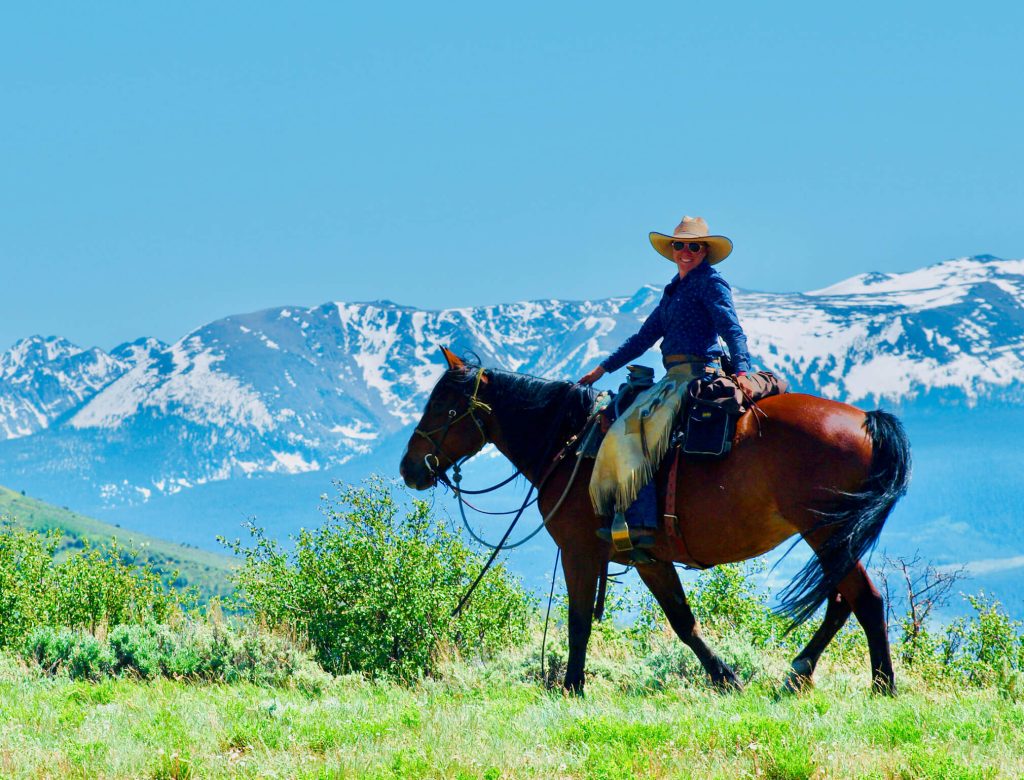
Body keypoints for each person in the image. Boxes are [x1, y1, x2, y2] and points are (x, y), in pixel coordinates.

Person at [578, 215, 754, 552]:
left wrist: (742, 369)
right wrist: (603, 368)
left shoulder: (710, 283)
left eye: (693, 246)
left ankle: (642, 524)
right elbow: (644, 337)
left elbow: (732, 329)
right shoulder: (673, 290)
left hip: (699, 375)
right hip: (672, 379)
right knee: (622, 423)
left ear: (704, 251)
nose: (685, 251)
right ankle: (623, 513)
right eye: (679, 245)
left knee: (641, 432)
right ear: (672, 249)